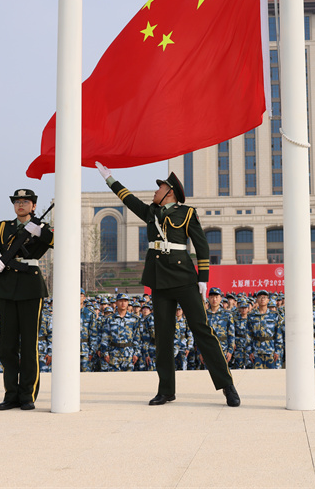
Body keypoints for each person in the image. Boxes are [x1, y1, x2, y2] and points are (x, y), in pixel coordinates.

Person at [96, 163, 238, 407]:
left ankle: (227, 385)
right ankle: (166, 390)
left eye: (159, 188)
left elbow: (201, 245)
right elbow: (129, 200)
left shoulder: (187, 213)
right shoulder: (151, 212)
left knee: (202, 331)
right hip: (159, 279)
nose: (155, 191)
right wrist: (110, 179)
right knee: (163, 336)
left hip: (184, 278)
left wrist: (203, 277)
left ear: (170, 192)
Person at [0, 188, 54, 411]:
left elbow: (60, 241)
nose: (20, 205)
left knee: (29, 344)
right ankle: (11, 394)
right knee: (7, 345)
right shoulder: (3, 228)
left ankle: (27, 394)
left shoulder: (42, 227)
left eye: (26, 202)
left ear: (34, 206)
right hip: (7, 285)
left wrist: (40, 233)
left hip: (30, 285)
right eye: (17, 201)